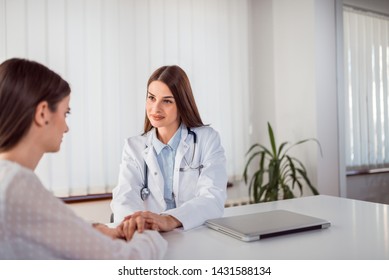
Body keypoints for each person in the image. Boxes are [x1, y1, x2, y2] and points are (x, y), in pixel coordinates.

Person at [0, 58, 167, 259]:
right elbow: (123, 261)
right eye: (65, 113)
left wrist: (93, 230)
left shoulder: (6, 179)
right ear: (43, 113)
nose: (66, 127)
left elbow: (39, 228)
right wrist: (148, 231)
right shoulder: (17, 184)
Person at [111, 65, 227, 239]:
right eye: (151, 98)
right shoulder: (134, 146)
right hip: (150, 237)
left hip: (195, 236)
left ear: (182, 104)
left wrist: (170, 219)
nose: (155, 109)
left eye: (167, 101)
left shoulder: (207, 139)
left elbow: (212, 198)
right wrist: (138, 222)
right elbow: (124, 197)